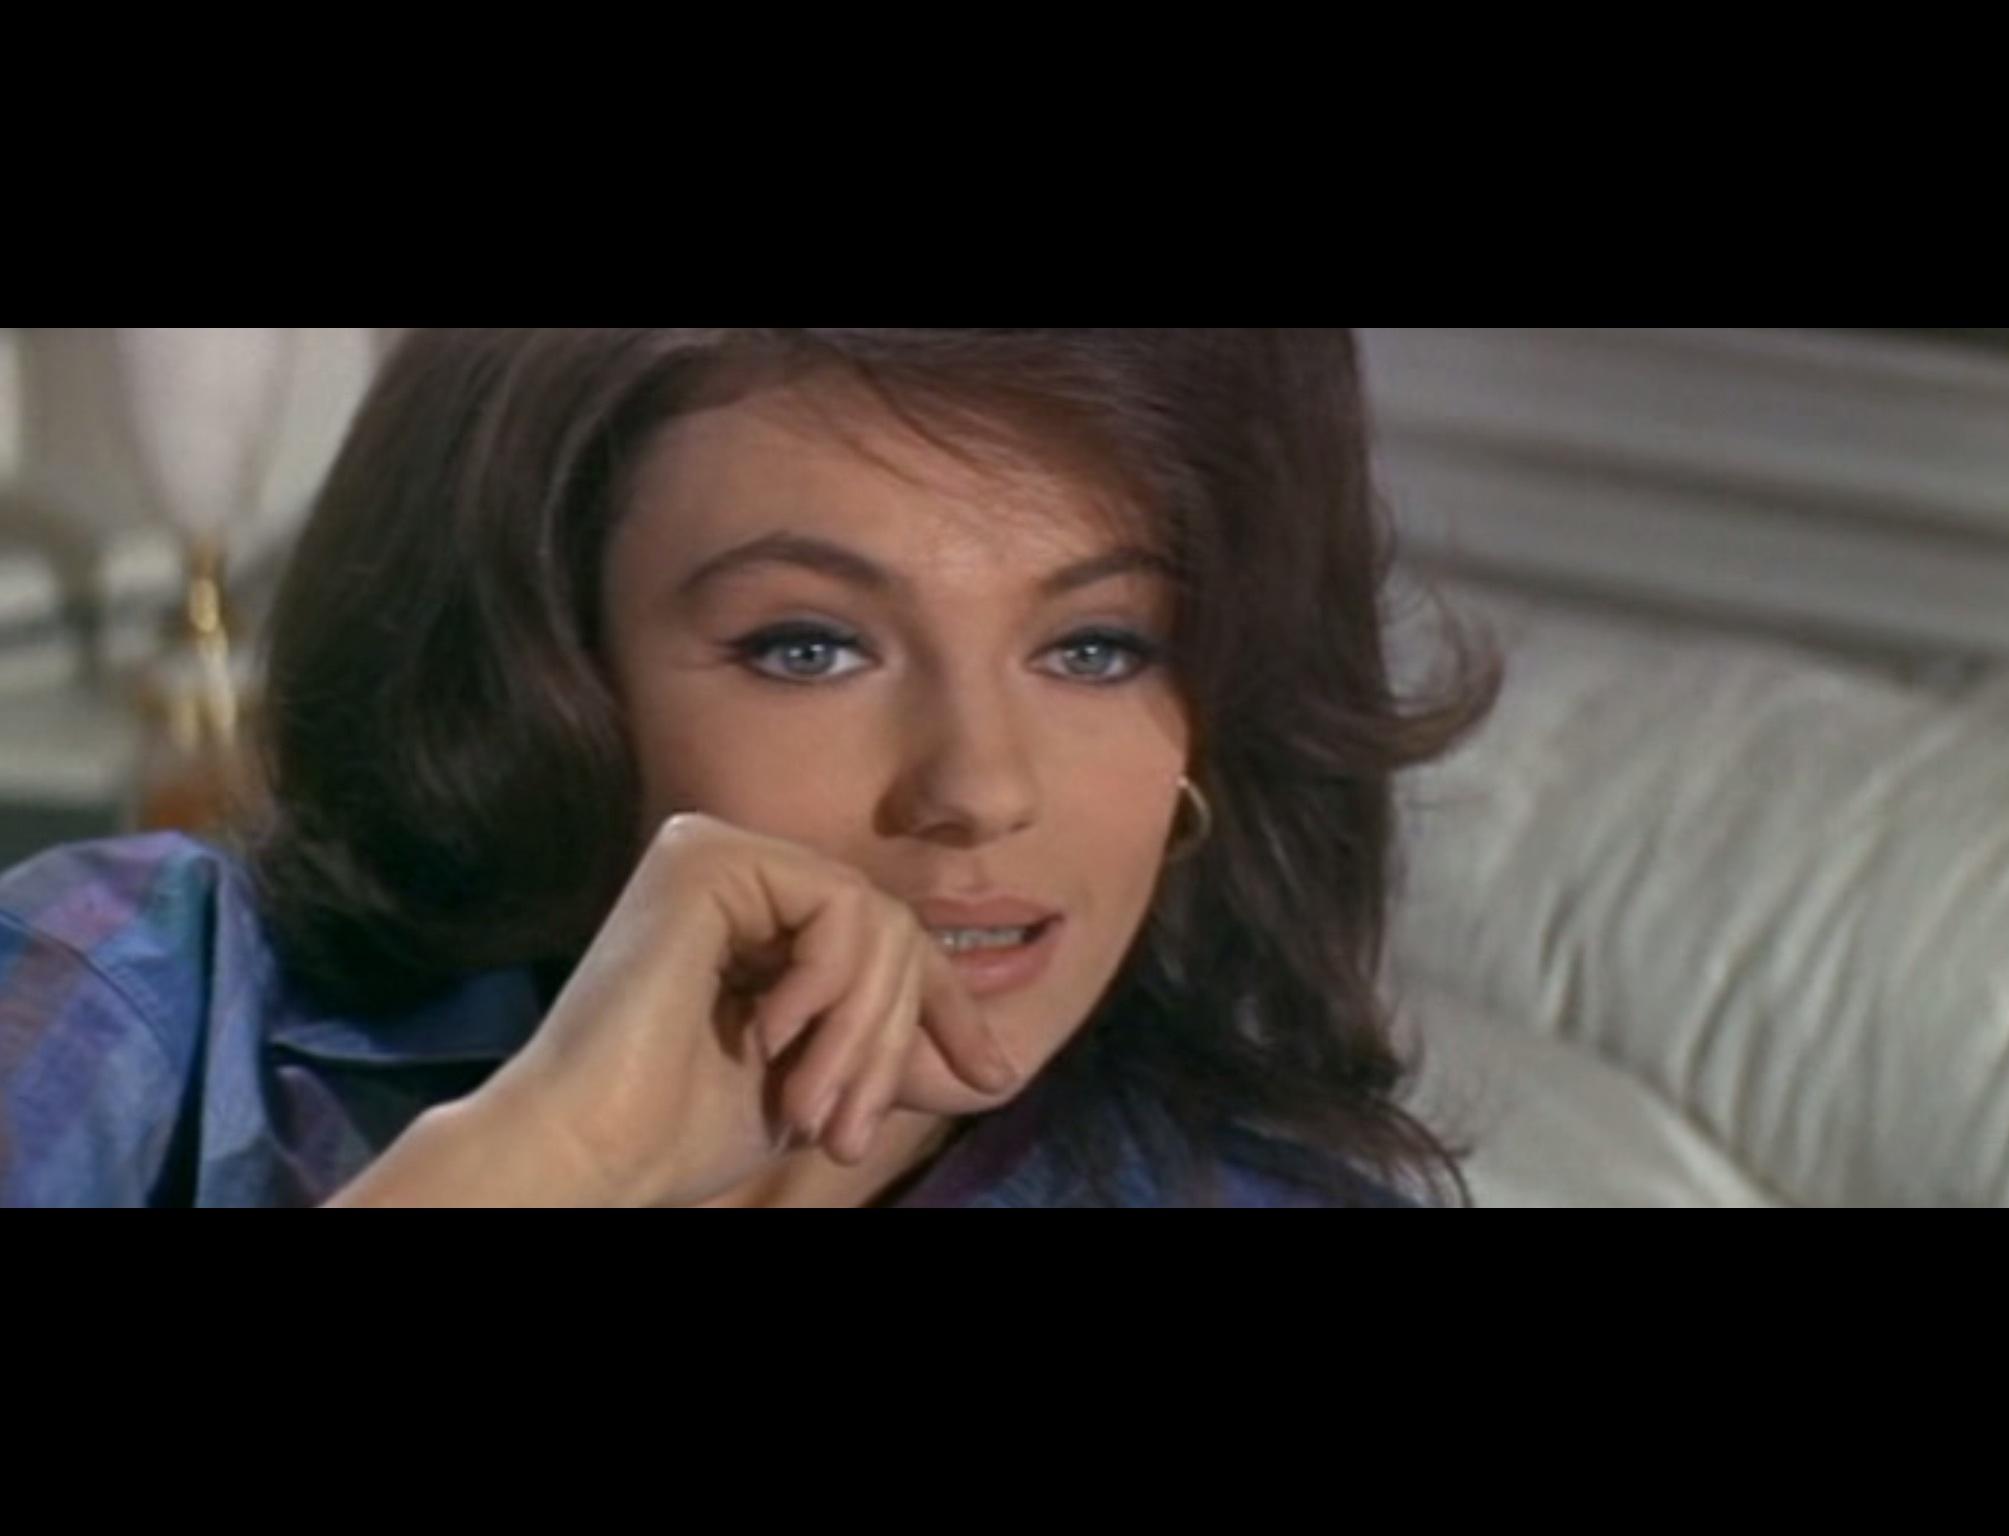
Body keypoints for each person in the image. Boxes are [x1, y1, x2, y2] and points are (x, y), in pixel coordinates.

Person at [0, 328, 1498, 1208]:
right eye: (809, 647)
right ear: (550, 679)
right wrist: (544, 1161)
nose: (982, 789)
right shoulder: (133, 998)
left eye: (1097, 649)